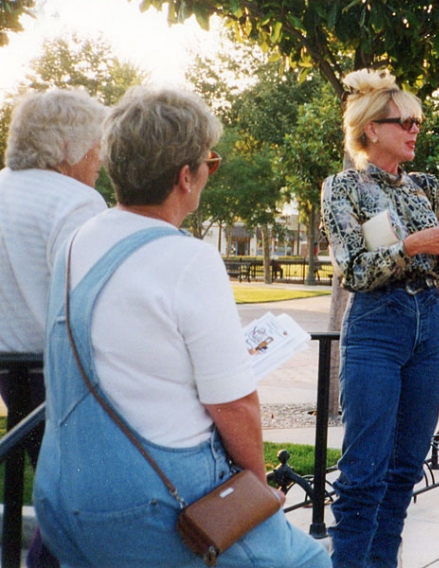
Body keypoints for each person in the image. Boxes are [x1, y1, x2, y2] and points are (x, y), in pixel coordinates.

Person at [33, 86, 330, 568]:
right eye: (209, 163)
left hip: (62, 498)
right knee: (309, 562)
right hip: (151, 504)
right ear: (185, 177)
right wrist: (256, 492)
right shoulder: (188, 258)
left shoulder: (75, 241)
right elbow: (233, 404)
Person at [320, 68, 439, 568]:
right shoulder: (343, 188)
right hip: (377, 325)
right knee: (364, 472)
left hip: (430, 321)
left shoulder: (428, 185)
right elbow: (355, 270)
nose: (414, 130)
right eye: (403, 121)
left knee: (405, 468)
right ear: (370, 130)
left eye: (418, 122)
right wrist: (411, 246)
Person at [0, 88, 108, 568]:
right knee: (77, 501)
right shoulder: (78, 201)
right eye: (96, 146)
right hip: (59, 376)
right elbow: (90, 302)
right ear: (67, 149)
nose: (100, 159)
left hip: (10, 369)